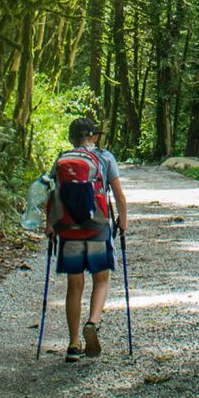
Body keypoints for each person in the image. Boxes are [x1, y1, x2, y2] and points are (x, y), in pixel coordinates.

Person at [45, 116, 128, 362]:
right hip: (97, 225)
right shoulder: (105, 157)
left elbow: (52, 195)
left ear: (71, 138)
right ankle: (92, 322)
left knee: (74, 285)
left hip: (69, 229)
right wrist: (123, 221)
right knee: (101, 279)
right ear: (94, 137)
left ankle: (72, 344)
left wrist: (50, 226)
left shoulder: (62, 159)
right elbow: (119, 196)